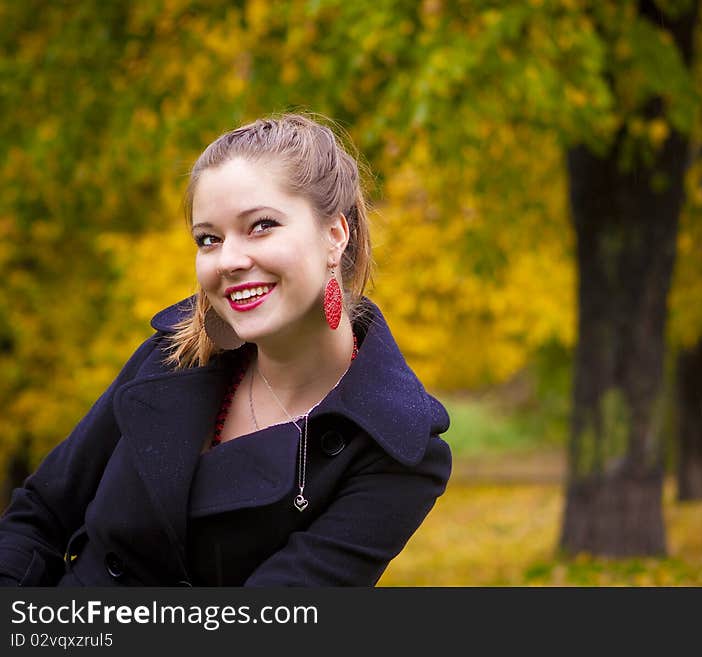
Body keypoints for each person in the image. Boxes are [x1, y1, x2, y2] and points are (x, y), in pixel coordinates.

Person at [0, 113, 452, 586]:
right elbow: (39, 516)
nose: (229, 261)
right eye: (209, 239)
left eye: (261, 226)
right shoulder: (170, 357)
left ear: (335, 235)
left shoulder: (398, 451)